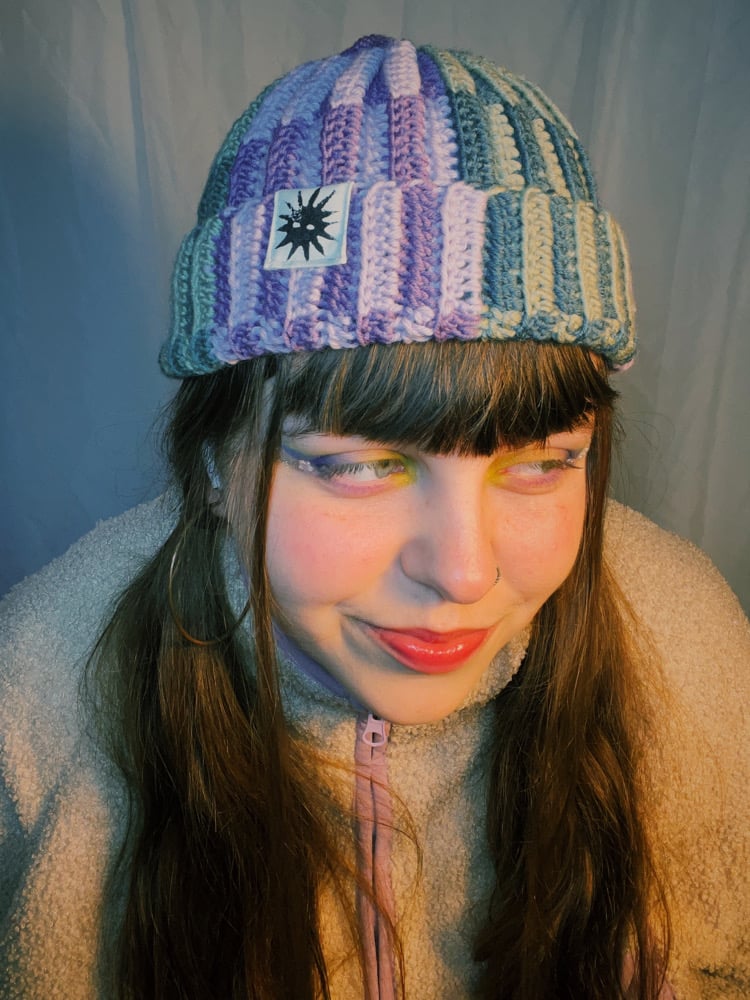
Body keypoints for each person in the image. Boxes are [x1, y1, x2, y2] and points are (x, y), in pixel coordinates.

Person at [0, 34, 748, 1000]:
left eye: (542, 462)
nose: (464, 573)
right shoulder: (33, 708)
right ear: (215, 458)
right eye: (361, 466)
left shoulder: (694, 645)